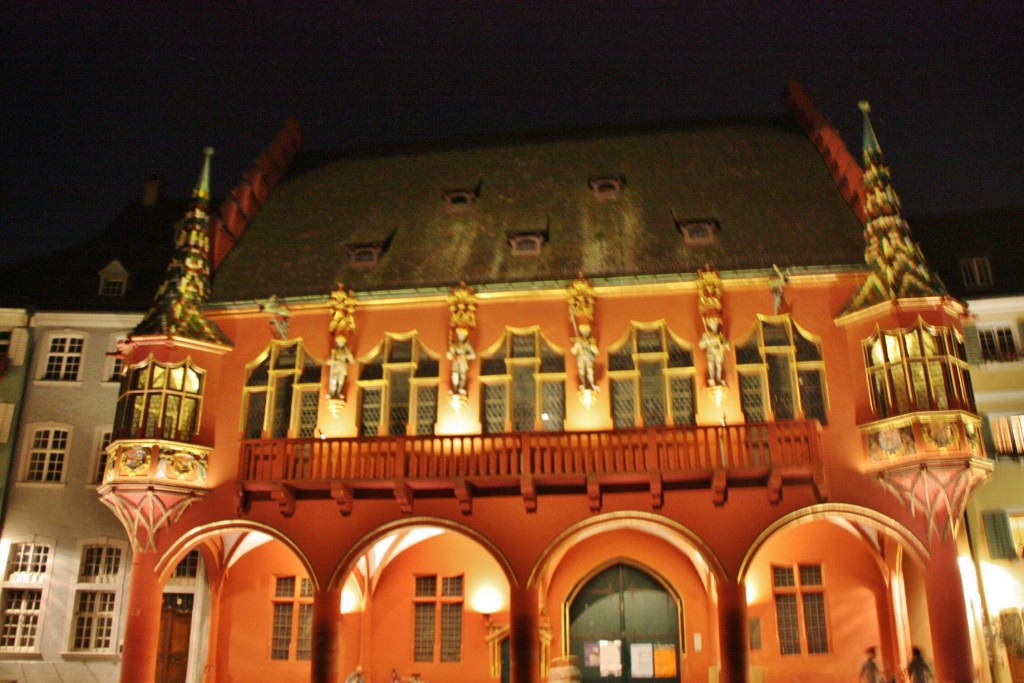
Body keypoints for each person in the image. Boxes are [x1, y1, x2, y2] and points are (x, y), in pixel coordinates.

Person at [698, 317, 728, 387]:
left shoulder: (720, 335)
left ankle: (719, 379)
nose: (714, 326)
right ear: (710, 326)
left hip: (718, 352)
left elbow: (726, 345)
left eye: (715, 324)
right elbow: (701, 345)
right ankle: (711, 379)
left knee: (719, 366)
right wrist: (706, 341)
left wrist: (721, 347)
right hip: (710, 352)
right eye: (712, 324)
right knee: (711, 366)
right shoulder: (706, 335)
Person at [447, 327, 475, 395]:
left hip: (462, 362)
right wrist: (450, 354)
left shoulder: (466, 345)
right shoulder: (454, 345)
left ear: (464, 336)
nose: (460, 336)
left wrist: (464, 356)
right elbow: (450, 354)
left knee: (462, 375)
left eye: (461, 335)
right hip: (456, 362)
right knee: (455, 374)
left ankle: (461, 387)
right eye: (459, 335)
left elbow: (473, 355)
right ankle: (455, 388)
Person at [570, 322, 598, 391]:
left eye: (586, 331)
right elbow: (573, 351)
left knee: (590, 370)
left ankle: (592, 384)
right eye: (584, 331)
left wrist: (591, 346)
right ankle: (583, 384)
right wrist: (577, 345)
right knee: (581, 371)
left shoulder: (591, 341)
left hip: (589, 357)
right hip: (581, 358)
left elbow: (596, 351)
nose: (585, 333)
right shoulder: (578, 340)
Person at [327, 334, 355, 399]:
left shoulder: (345, 352)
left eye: (342, 342)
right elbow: (328, 361)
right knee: (333, 380)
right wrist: (332, 360)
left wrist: (349, 353)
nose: (341, 343)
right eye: (339, 342)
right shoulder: (334, 351)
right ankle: (332, 393)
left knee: (340, 380)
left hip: (342, 367)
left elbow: (352, 361)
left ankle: (339, 393)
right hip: (335, 367)